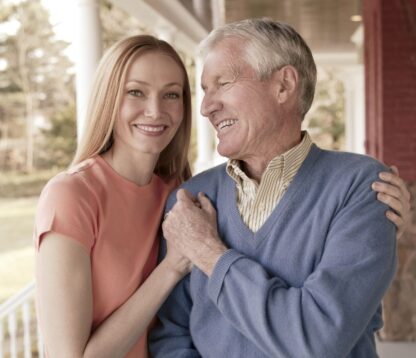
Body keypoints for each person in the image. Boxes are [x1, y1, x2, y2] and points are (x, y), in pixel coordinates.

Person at [149, 19, 411, 358]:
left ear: (284, 85)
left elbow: (317, 338)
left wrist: (209, 253)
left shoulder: (363, 188)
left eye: (222, 83)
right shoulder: (191, 200)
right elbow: (170, 334)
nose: (206, 107)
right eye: (204, 90)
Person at [34, 35, 193, 357]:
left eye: (171, 95)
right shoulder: (72, 195)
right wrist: (171, 267)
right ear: (109, 98)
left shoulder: (180, 195)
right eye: (136, 92)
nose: (155, 110)